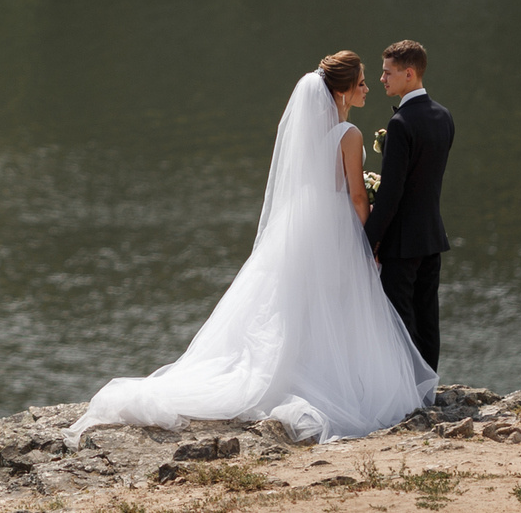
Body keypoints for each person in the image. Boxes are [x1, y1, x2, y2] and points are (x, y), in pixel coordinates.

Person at [67, 52, 436, 444]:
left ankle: (299, 368)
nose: (367, 87)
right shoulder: (350, 135)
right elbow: (358, 198)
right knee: (337, 303)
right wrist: (369, 239)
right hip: (337, 229)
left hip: (308, 225)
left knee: (300, 302)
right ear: (343, 91)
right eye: (361, 82)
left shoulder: (313, 133)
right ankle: (336, 378)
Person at [365, 39, 453, 371]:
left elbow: (392, 193)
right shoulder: (444, 117)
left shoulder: (401, 124)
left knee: (399, 319)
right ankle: (428, 386)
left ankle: (407, 393)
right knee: (428, 317)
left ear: (409, 73)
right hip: (431, 236)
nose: (382, 79)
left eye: (388, 73)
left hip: (401, 242)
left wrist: (368, 238)